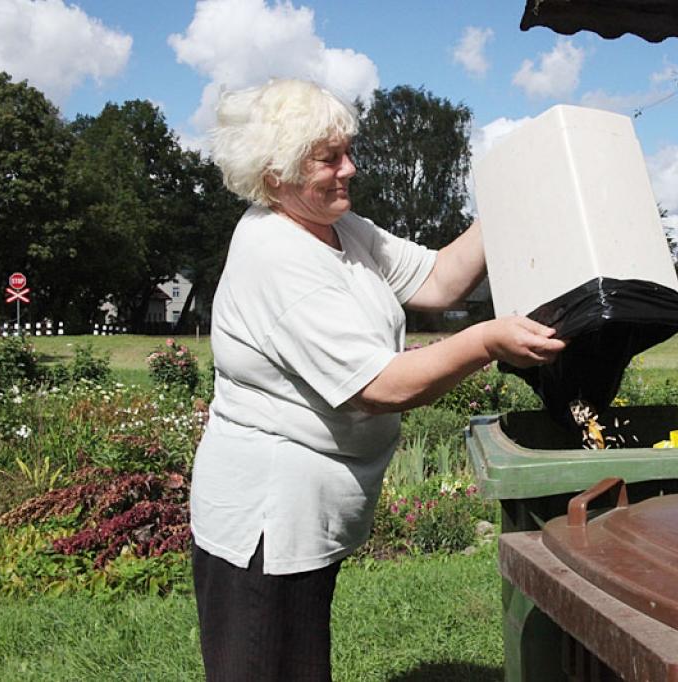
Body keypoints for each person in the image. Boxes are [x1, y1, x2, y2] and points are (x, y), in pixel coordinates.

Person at [190, 78, 565, 681]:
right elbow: (379, 387)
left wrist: (505, 201)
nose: (351, 168)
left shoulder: (342, 230)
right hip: (266, 521)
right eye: (329, 158)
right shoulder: (275, 254)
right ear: (275, 175)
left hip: (301, 517)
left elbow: (438, 279)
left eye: (348, 151)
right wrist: (486, 341)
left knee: (299, 663)